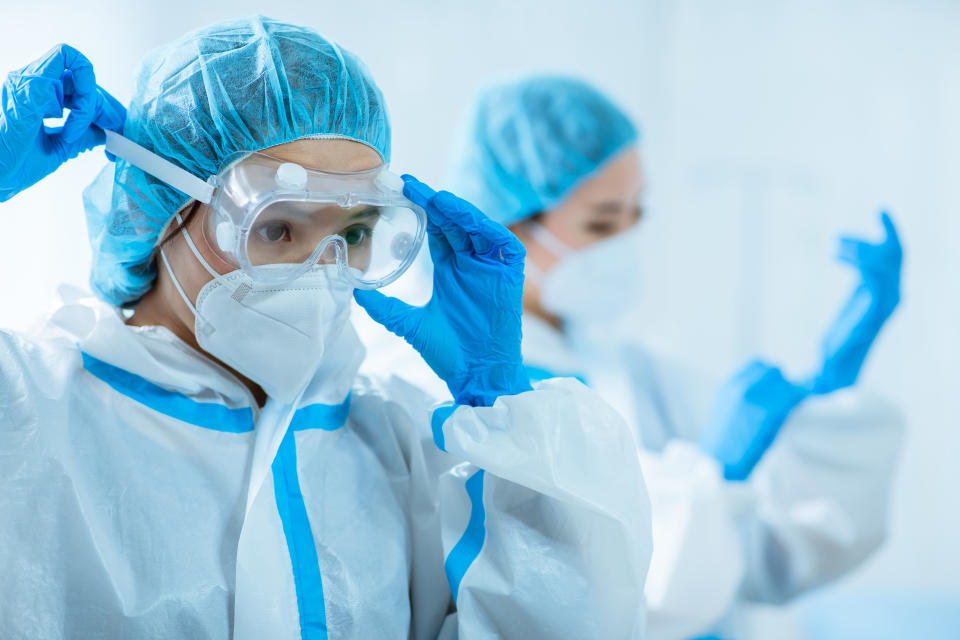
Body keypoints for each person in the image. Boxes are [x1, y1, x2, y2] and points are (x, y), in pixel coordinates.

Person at [0, 22, 654, 639]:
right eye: (279, 228)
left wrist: (500, 401)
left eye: (355, 232)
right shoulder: (29, 407)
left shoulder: (394, 441)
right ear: (162, 208)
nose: (320, 269)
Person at [364, 75, 905, 640]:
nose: (623, 239)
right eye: (601, 221)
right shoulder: (424, 373)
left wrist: (835, 384)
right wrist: (712, 476)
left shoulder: (625, 367)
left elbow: (775, 554)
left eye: (635, 215)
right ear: (508, 222)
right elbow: (580, 597)